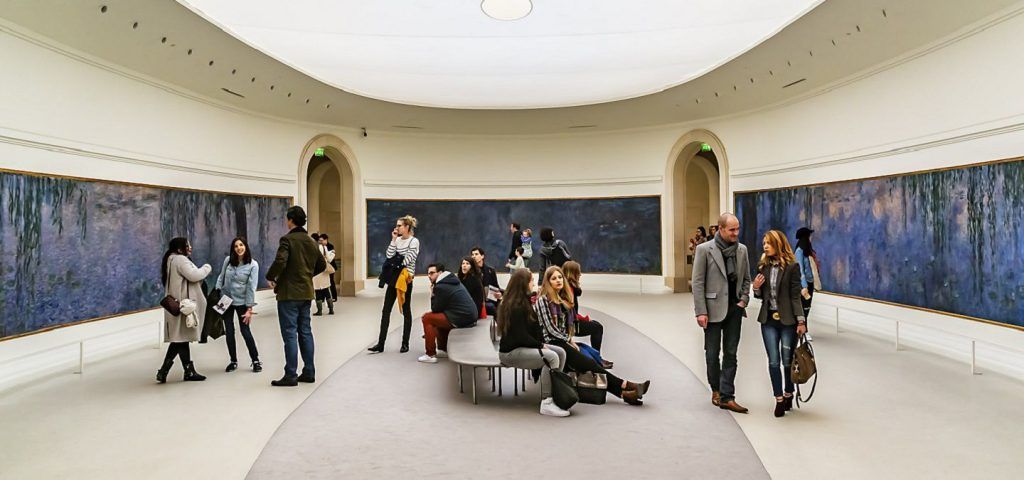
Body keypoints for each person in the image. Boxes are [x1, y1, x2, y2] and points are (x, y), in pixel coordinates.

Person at [535, 266, 650, 406]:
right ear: (548, 282)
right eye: (554, 278)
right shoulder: (543, 300)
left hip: (561, 341)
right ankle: (626, 385)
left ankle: (624, 393)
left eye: (560, 277)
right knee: (588, 364)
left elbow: (566, 327)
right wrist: (569, 340)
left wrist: (569, 339)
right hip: (550, 343)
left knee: (589, 363)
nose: (558, 280)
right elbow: (550, 329)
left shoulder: (561, 299)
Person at [692, 212, 753, 413]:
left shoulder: (742, 250)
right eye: (732, 229)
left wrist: (743, 300)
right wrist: (701, 311)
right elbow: (698, 283)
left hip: (735, 310)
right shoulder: (704, 249)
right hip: (712, 310)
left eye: (738, 229)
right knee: (712, 354)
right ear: (721, 229)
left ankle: (727, 396)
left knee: (731, 353)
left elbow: (746, 279)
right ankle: (716, 389)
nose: (736, 233)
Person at [266, 206, 326, 387]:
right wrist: (306, 275)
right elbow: (322, 265)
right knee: (305, 332)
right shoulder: (311, 241)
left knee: (290, 334)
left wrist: (271, 276)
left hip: (288, 293)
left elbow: (280, 260)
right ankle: (309, 371)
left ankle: (290, 374)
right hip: (306, 293)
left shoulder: (287, 240)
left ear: (290, 220)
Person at [498, 268, 571, 417]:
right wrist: (541, 345)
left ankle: (557, 394)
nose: (533, 283)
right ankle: (547, 402)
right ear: (524, 283)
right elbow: (520, 336)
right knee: (551, 357)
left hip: (522, 347)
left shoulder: (524, 301)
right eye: (531, 280)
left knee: (561, 352)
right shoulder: (515, 307)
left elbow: (532, 329)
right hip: (510, 352)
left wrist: (541, 342)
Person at [752, 230, 808, 417]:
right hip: (768, 320)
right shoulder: (763, 266)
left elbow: (795, 296)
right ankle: (778, 398)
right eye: (764, 243)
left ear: (778, 244)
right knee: (773, 361)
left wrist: (801, 321)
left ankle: (788, 393)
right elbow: (760, 296)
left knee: (787, 360)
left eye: (768, 243)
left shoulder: (792, 267)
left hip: (788, 321)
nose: (765, 246)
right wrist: (756, 288)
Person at [157, 237, 212, 383]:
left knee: (181, 338)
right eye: (187, 245)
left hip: (176, 304)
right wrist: (207, 267)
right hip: (184, 306)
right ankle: (166, 370)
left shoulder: (170, 259)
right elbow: (195, 276)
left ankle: (186, 371)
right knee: (180, 339)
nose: (190, 247)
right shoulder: (180, 260)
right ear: (180, 249)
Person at [369, 215, 420, 353]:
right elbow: (389, 255)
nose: (397, 227)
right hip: (393, 278)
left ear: (407, 227)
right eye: (397, 225)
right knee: (386, 310)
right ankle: (380, 344)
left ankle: (405, 343)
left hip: (405, 279)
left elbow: (408, 260)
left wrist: (394, 262)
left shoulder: (414, 241)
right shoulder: (397, 240)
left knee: (406, 311)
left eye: (399, 225)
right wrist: (393, 240)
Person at [215, 237, 262, 373]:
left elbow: (251, 287)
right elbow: (221, 276)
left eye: (241, 245)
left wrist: (249, 308)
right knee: (229, 332)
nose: (239, 248)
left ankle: (255, 360)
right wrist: (217, 290)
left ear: (245, 246)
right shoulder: (228, 260)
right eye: (236, 246)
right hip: (225, 300)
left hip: (242, 302)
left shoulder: (253, 265)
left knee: (245, 331)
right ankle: (233, 361)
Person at [419, 263, 479, 363]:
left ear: (440, 273)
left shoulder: (441, 286)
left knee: (427, 318)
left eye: (432, 273)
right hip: (470, 316)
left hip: (463, 318)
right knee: (438, 317)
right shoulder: (451, 280)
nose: (429, 276)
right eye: (428, 273)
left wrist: (432, 294)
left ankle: (430, 354)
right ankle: (443, 349)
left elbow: (435, 309)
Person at [561, 260, 612, 369]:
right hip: (569, 325)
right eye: (578, 272)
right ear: (573, 273)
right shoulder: (568, 290)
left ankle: (597, 357)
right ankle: (597, 360)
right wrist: (584, 319)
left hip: (570, 321)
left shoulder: (568, 288)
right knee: (597, 328)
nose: (580, 275)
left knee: (596, 325)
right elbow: (569, 313)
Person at [794, 227, 818, 341]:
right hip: (804, 285)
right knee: (803, 307)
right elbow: (800, 270)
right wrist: (804, 286)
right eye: (809, 236)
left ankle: (803, 329)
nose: (811, 239)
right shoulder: (799, 251)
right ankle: (804, 330)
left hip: (810, 282)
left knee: (807, 307)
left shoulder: (807, 252)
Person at [470, 246, 501, 316]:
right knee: (491, 307)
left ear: (482, 256)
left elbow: (496, 287)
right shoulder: (470, 272)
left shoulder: (490, 271)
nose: (474, 256)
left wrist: (499, 294)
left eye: (476, 254)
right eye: (472, 254)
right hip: (477, 302)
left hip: (491, 299)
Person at [313, 235, 335, 316]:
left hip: (316, 272)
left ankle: (319, 311)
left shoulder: (312, 247)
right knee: (326, 290)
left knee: (317, 291)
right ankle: (331, 309)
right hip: (324, 271)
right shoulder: (324, 247)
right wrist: (332, 253)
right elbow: (328, 259)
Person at [321, 233, 339, 301]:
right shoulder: (321, 246)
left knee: (331, 281)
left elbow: (329, 258)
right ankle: (323, 297)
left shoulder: (330, 246)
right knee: (323, 282)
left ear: (326, 240)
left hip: (330, 267)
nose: (321, 241)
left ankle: (334, 297)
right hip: (324, 267)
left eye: (322, 240)